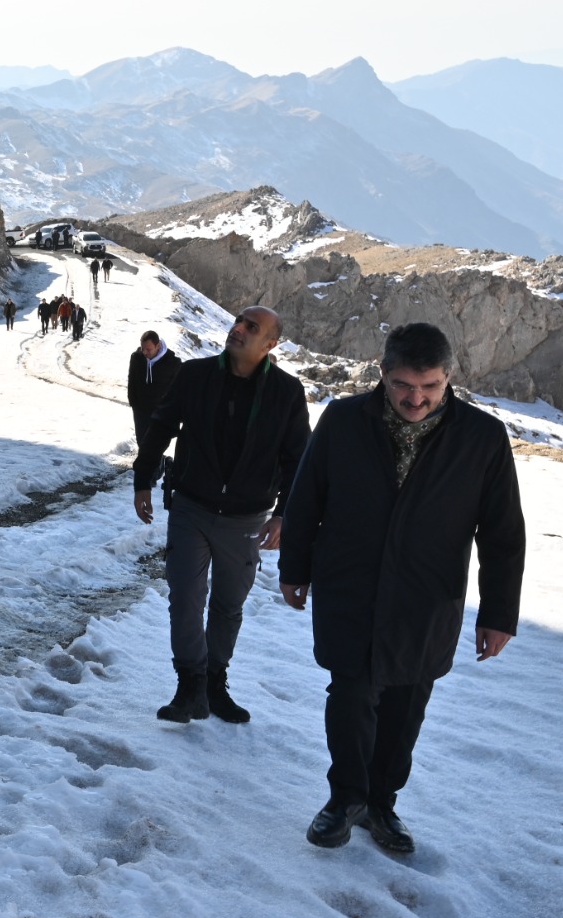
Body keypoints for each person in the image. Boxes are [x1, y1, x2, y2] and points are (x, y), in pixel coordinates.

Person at [279, 322, 525, 855]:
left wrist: (499, 613)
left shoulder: (481, 437)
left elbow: (502, 533)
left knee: (406, 704)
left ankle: (381, 803)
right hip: (351, 587)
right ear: (383, 373)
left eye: (430, 386)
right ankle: (345, 800)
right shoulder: (345, 420)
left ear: (449, 377)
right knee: (351, 694)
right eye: (404, 386)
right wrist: (294, 568)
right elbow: (305, 500)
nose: (416, 399)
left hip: (427, 598)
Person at [133, 306, 311, 725]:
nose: (239, 329)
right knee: (185, 599)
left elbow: (298, 459)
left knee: (228, 605)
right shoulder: (195, 375)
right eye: (238, 321)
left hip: (247, 518)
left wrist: (284, 514)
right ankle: (189, 685)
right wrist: (143, 480)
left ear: (270, 344)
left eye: (252, 327)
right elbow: (161, 426)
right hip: (191, 507)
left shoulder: (286, 391)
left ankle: (214, 683)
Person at [126, 329, 183, 483]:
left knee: (157, 442)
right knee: (142, 441)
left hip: (162, 410)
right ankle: (155, 467)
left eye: (148, 349)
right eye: (143, 348)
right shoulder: (136, 358)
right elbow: (131, 379)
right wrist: (133, 401)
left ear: (158, 346)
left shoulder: (173, 363)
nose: (145, 352)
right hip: (140, 408)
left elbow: (179, 388)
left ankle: (151, 475)